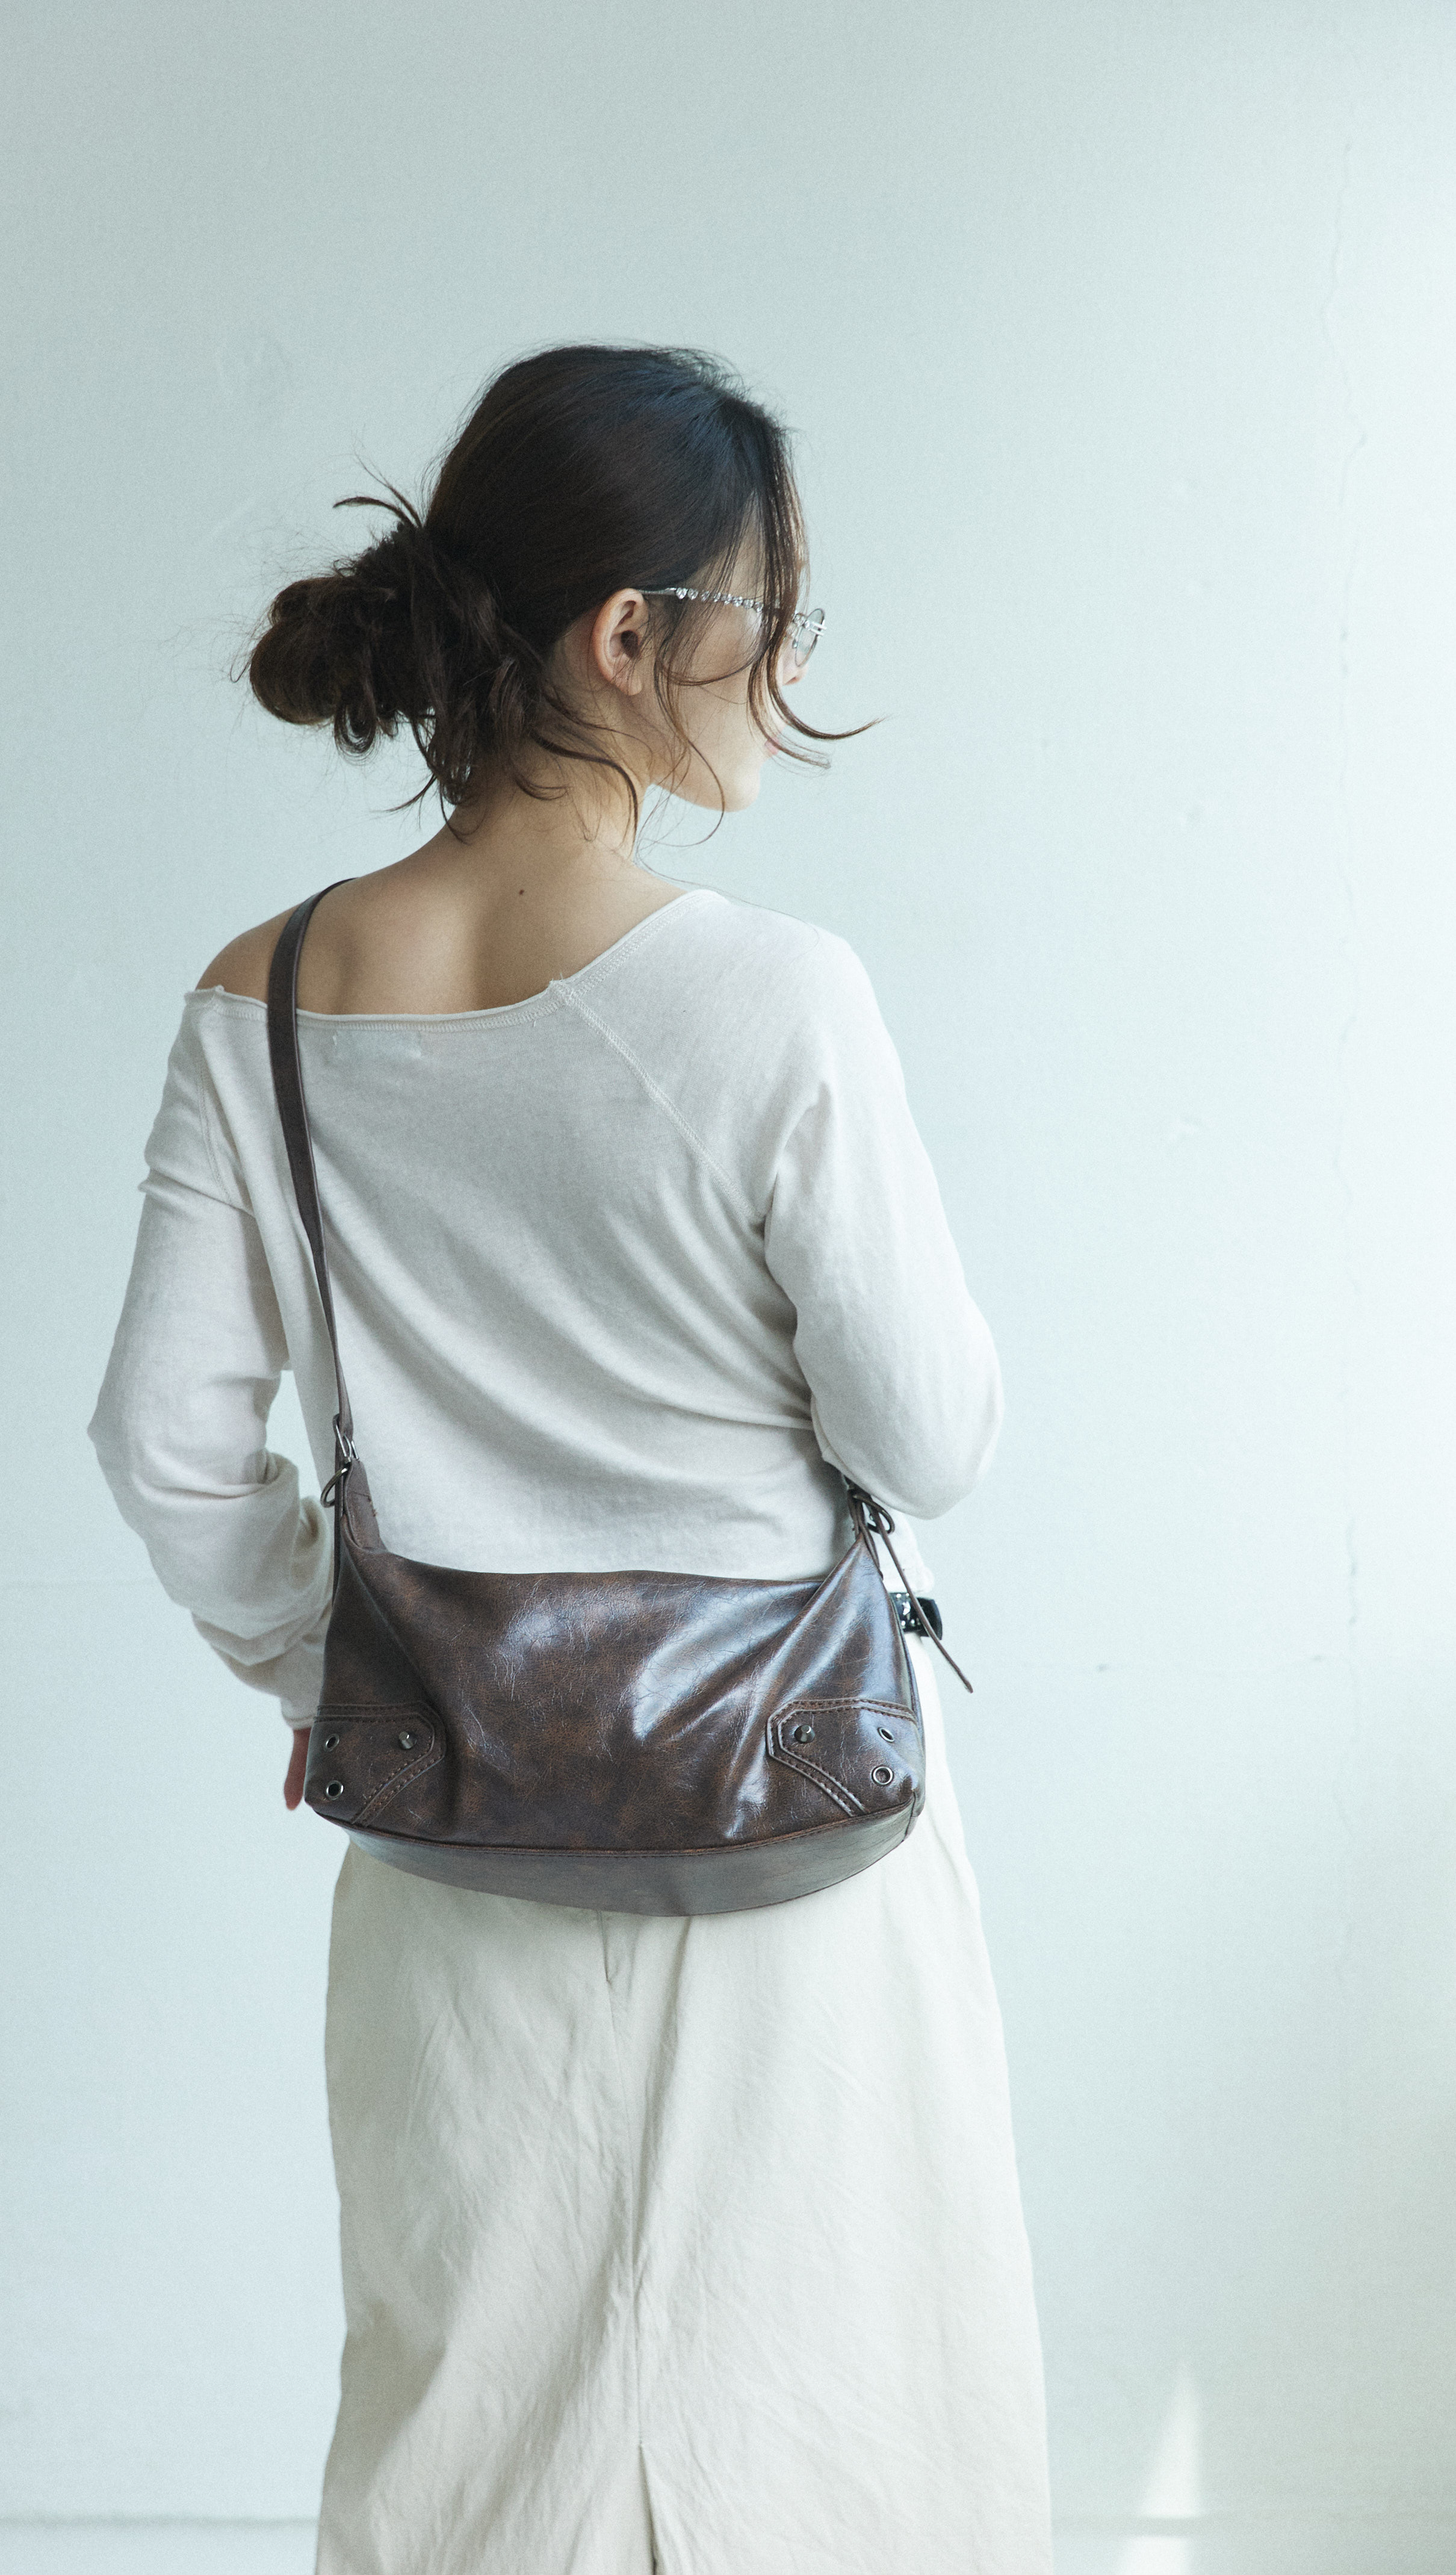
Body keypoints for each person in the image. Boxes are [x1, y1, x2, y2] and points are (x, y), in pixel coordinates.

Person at [87, 343, 1053, 2575]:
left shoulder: (261, 1000)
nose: (782, 667)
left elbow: (160, 1438)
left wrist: (328, 1668)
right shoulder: (770, 993)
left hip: (455, 1855)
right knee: (822, 2431)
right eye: (767, 612)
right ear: (629, 633)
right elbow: (928, 1438)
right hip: (790, 1838)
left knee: (471, 2442)